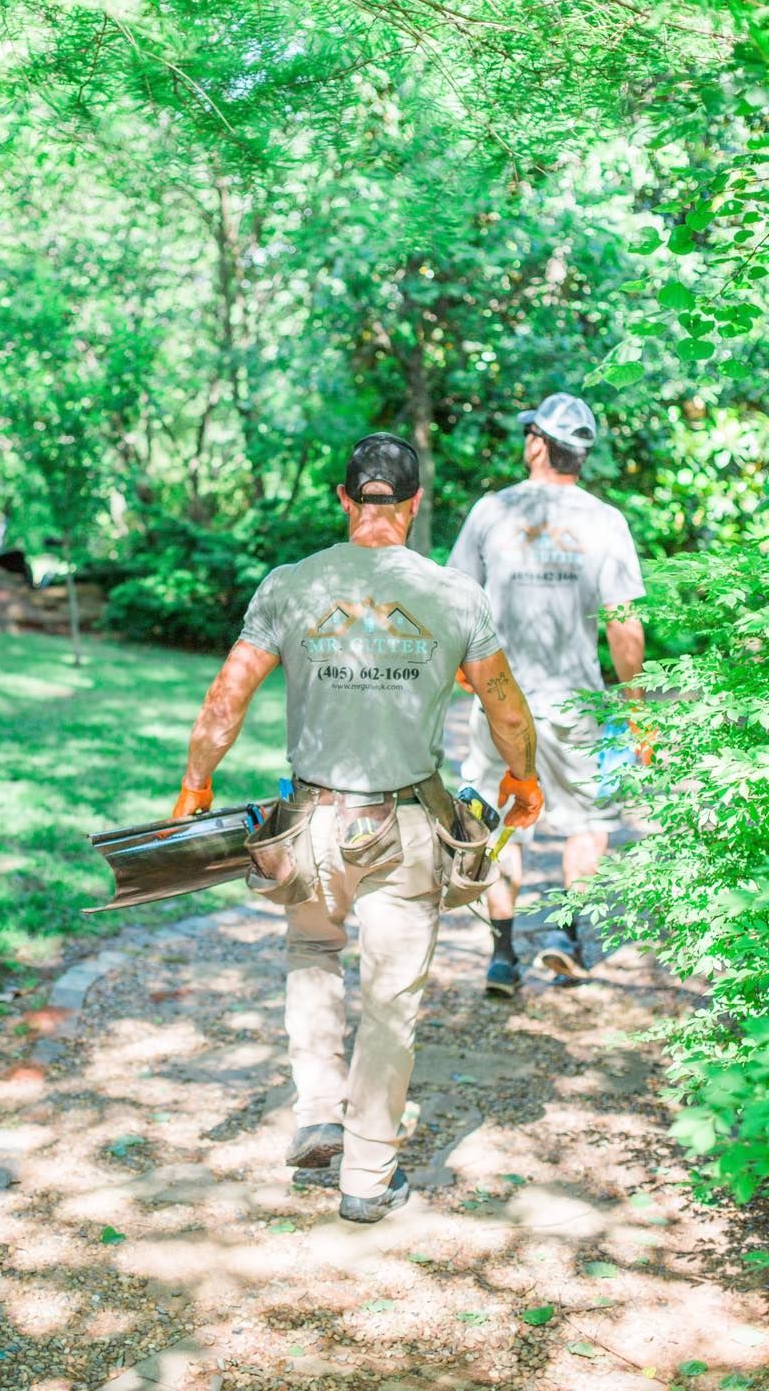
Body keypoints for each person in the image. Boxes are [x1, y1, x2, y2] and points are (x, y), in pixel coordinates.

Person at [167, 433, 543, 1224]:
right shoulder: (453, 595)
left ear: (344, 500)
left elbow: (225, 700)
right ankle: (367, 1178)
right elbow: (506, 708)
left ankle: (315, 1111)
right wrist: (524, 777)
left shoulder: (291, 585)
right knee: (391, 1001)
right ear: (412, 506)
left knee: (310, 950)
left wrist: (196, 782)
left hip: (311, 822)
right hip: (407, 825)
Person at [448, 393, 647, 997]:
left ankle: (503, 956)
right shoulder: (604, 521)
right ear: (581, 454)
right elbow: (624, 624)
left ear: (537, 443)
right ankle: (564, 937)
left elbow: (455, 599)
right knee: (586, 822)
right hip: (576, 702)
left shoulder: (490, 511)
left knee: (500, 817)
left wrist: (466, 674)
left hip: (501, 699)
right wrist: (635, 709)